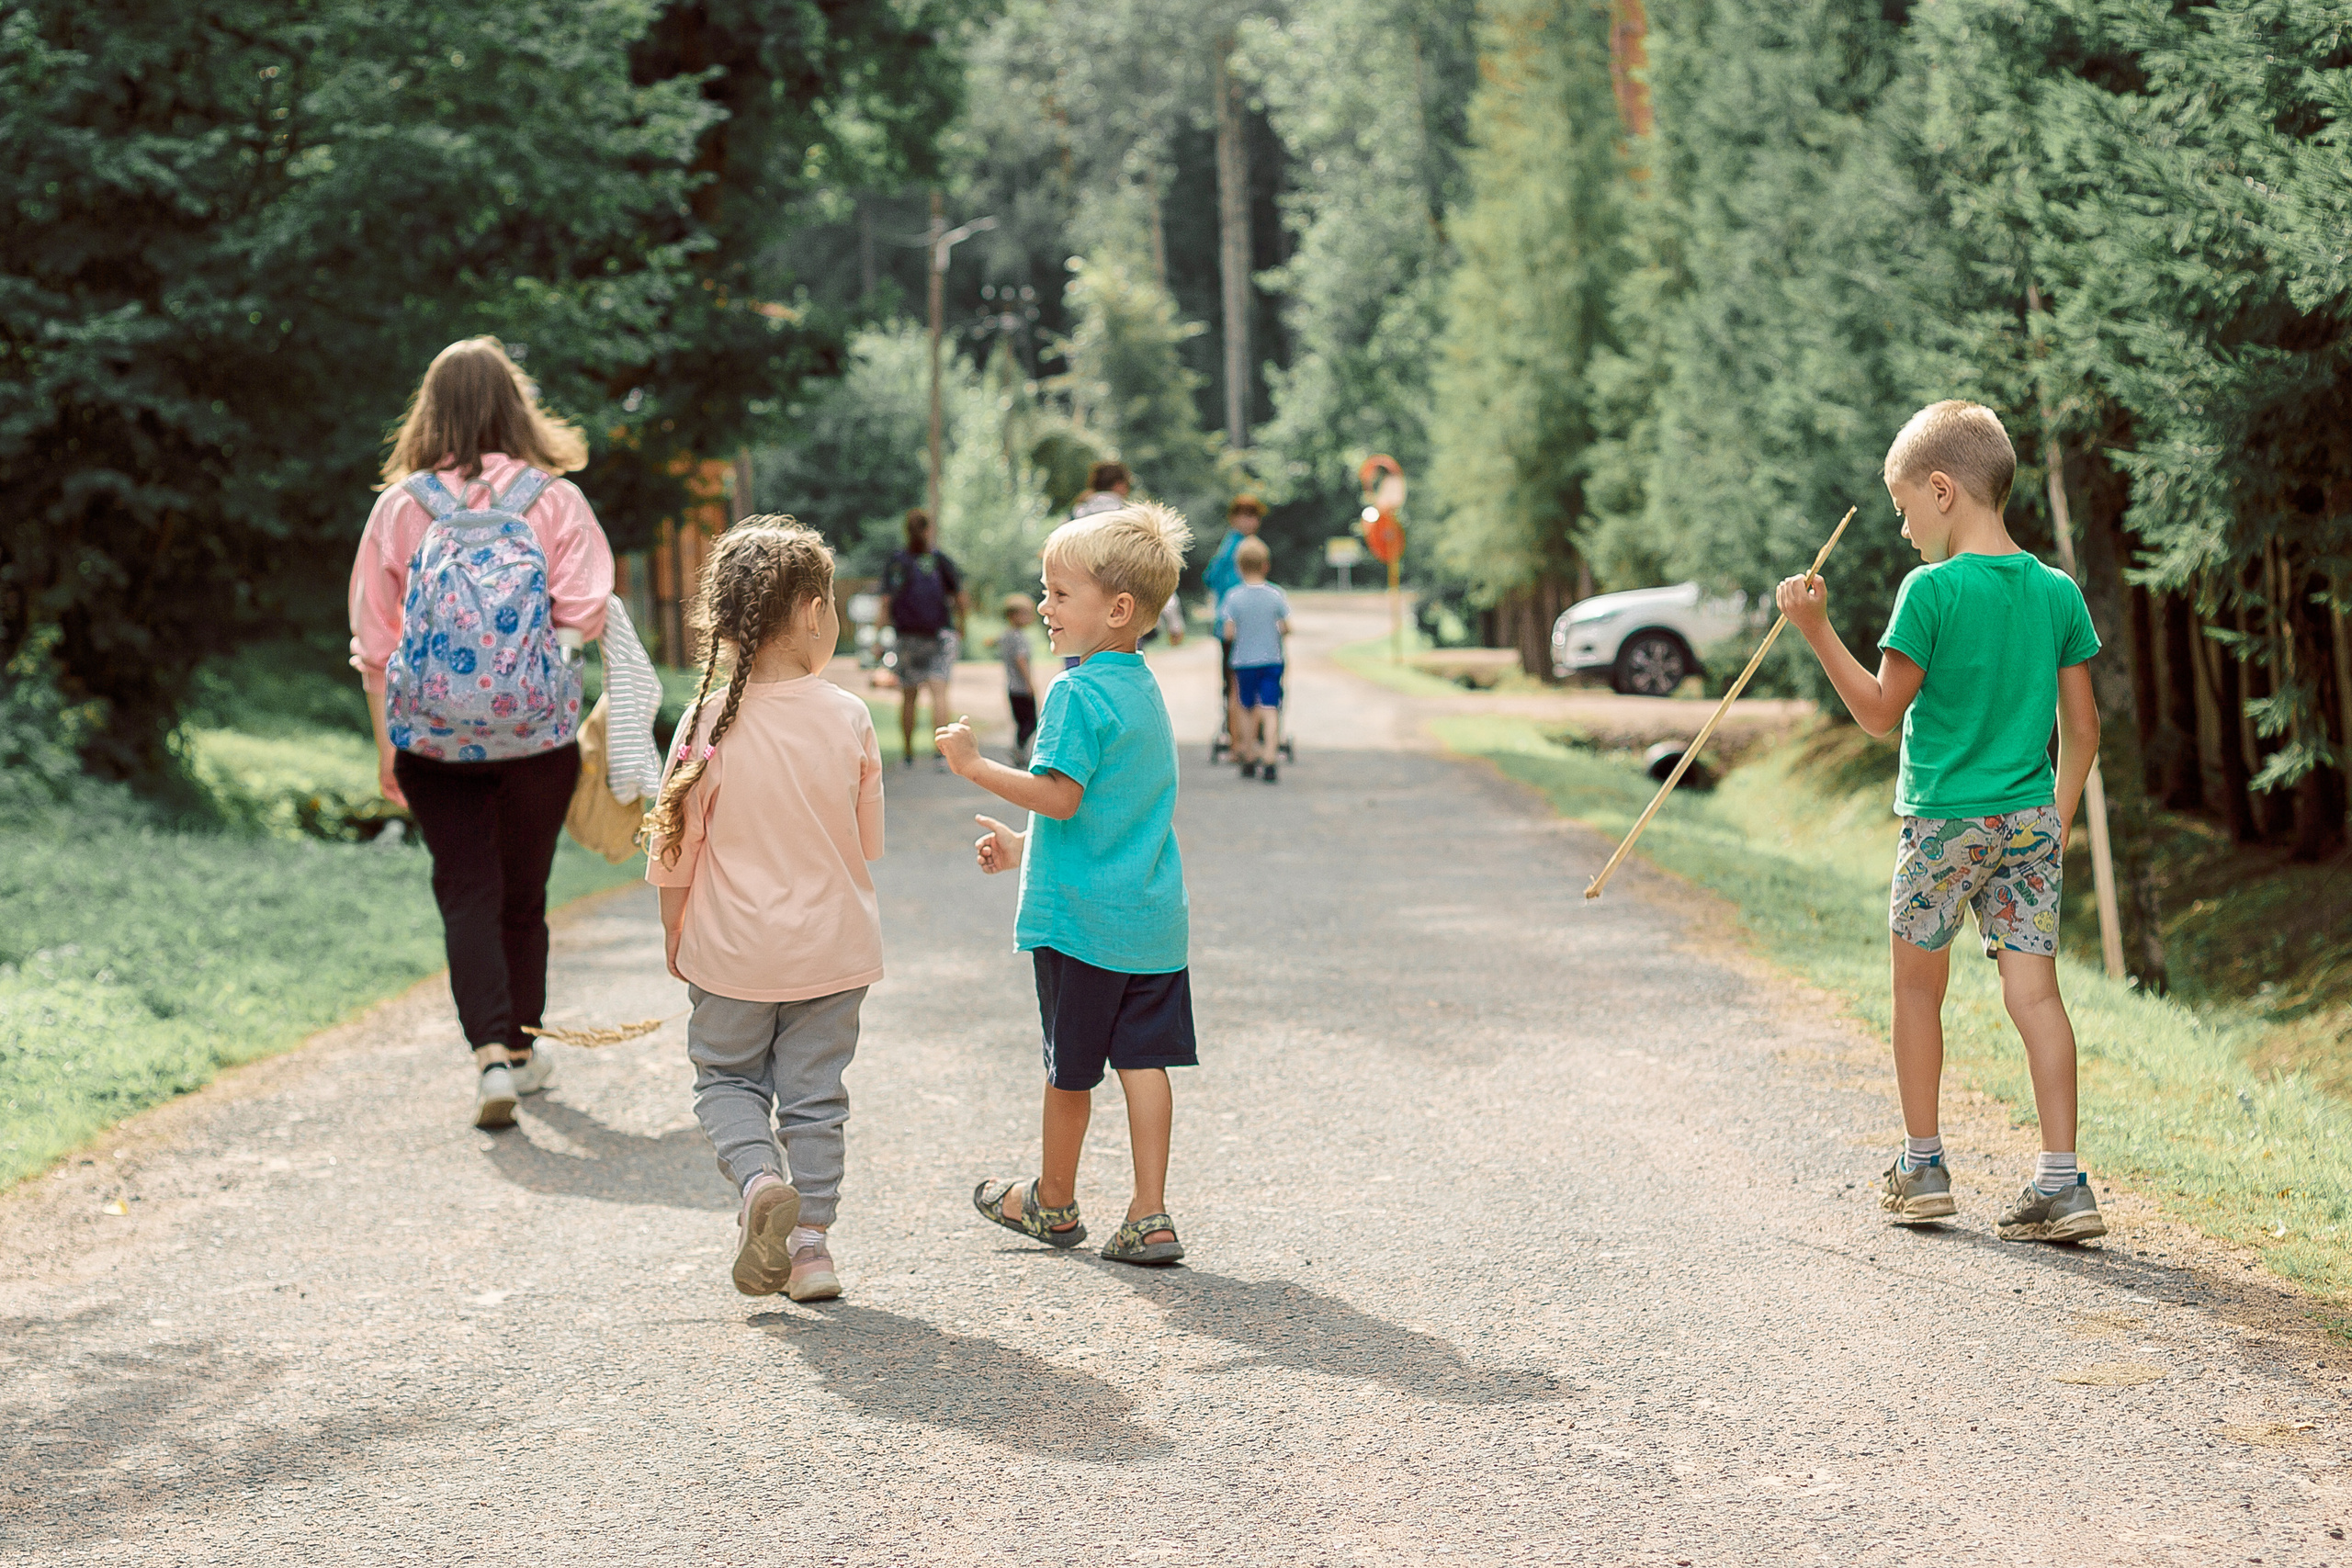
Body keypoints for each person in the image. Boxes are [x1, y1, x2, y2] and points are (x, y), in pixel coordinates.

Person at [1773, 400, 2106, 1244]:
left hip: (1942, 826)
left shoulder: (1929, 590)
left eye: (1904, 507)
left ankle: (1923, 1166)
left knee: (1918, 988)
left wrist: (1815, 631)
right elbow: (2086, 726)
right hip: (2030, 819)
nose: (1902, 527)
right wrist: (2057, 817)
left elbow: (1882, 713)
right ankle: (2063, 1183)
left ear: (1944, 489)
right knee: (2036, 994)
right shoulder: (2057, 591)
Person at [349, 336, 613, 1130]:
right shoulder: (554, 500)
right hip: (536, 737)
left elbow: (374, 643)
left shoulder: (401, 507)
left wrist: (386, 745)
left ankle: (490, 1057)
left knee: (466, 889)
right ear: (514, 405)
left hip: (430, 739)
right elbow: (587, 611)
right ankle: (525, 1050)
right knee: (523, 898)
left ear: (429, 412)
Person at [933, 502, 1196, 1267]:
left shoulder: (1074, 695)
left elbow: (1063, 796)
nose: (1044, 607)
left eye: (1058, 593)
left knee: (1070, 1067)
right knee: (1144, 1062)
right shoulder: (1142, 689)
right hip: (1150, 919)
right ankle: (1150, 1212)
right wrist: (1025, 849)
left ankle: (1052, 1200)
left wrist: (975, 767)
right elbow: (1111, 808)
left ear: (1117, 609)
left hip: (1083, 927)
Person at [644, 521, 886, 1303]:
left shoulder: (706, 721)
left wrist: (675, 933)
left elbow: (675, 844)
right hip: (831, 949)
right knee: (816, 1098)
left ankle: (757, 1185)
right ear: (814, 611)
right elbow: (865, 841)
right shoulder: (848, 715)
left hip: (733, 952)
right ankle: (811, 1248)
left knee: (725, 1078)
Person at [878, 509, 968, 769]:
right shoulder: (940, 560)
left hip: (907, 636)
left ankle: (907, 754)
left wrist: (878, 636)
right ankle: (941, 754)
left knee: (909, 696)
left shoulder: (897, 561)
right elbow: (961, 599)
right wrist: (962, 626)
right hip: (938, 634)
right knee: (939, 693)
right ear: (929, 529)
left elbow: (885, 601)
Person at [1219, 537, 1290, 782]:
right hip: (1271, 659)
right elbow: (1286, 626)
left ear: (1239, 567)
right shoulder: (1275, 595)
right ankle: (1270, 756)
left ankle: (1248, 755)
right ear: (1265, 565)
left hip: (1244, 661)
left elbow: (1228, 632)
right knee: (1270, 708)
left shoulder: (1233, 597)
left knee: (1246, 707)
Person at [1204, 495, 1266, 758]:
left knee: (1240, 680)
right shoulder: (1233, 548)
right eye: (1244, 515)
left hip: (1249, 624)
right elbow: (1212, 577)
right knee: (1235, 682)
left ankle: (1245, 738)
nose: (1249, 521)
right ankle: (1238, 740)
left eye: (1253, 516)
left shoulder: (1247, 546)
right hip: (1233, 624)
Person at [998, 593, 1040, 764]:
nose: (1030, 618)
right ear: (1013, 615)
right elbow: (1020, 660)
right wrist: (1030, 683)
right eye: (1026, 613)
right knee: (1031, 722)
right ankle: (1018, 749)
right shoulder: (1019, 637)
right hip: (1021, 687)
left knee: (1021, 721)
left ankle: (1019, 750)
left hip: (1011, 687)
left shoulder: (1006, 636)